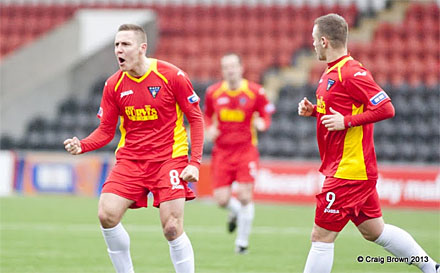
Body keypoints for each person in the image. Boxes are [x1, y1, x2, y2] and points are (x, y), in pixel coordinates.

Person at [298, 14, 439, 273]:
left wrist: (348, 121)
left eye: (314, 39)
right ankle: (433, 269)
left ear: (325, 41)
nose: (313, 44)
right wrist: (315, 112)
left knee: (321, 237)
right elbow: (338, 111)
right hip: (349, 169)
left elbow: (386, 108)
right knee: (375, 231)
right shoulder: (330, 72)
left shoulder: (351, 72)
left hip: (348, 170)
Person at [63, 24, 204, 273]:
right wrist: (82, 145)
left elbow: (196, 118)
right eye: (116, 45)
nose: (119, 50)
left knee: (171, 228)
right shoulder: (113, 85)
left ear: (142, 48)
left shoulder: (171, 76)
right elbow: (106, 131)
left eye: (125, 44)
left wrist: (194, 162)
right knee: (106, 215)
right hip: (131, 160)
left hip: (169, 159)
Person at [203, 53, 274, 254]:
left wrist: (263, 123)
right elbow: (207, 115)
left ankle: (241, 244)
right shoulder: (213, 92)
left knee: (244, 196)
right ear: (222, 70)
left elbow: (267, 111)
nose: (230, 70)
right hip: (222, 152)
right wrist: (209, 129)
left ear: (241, 68)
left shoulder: (255, 91)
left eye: (233, 66)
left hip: (245, 151)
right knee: (221, 200)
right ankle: (234, 213)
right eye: (226, 67)